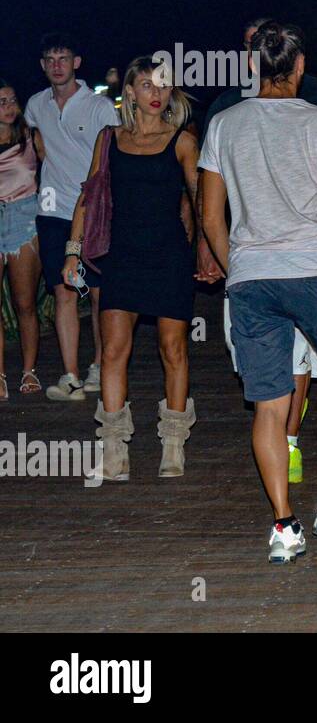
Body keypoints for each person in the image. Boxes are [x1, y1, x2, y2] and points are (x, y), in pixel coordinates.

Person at [199, 22, 317, 564]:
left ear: (253, 65)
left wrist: (240, 270)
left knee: (269, 405)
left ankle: (283, 524)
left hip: (252, 277)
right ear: (299, 67)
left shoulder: (224, 124)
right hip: (316, 271)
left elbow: (211, 215)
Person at [63, 56, 200, 480]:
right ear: (130, 93)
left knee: (173, 349)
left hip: (169, 255)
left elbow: (201, 201)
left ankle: (173, 444)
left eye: (162, 85)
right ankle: (114, 449)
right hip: (121, 256)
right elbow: (89, 197)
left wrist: (211, 251)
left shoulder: (182, 141)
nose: (156, 94)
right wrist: (73, 250)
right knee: (113, 351)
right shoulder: (109, 139)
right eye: (146, 85)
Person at [26, 32, 120, 401]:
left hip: (94, 209)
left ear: (76, 62)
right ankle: (71, 375)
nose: (56, 66)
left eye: (63, 58)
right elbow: (36, 141)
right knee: (64, 290)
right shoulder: (36, 105)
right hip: (52, 209)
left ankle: (98, 365)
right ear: (42, 66)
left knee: (98, 292)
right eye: (49, 60)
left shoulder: (98, 107)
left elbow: (112, 156)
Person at [0, 80, 43, 399]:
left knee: (24, 303)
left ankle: (29, 371)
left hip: (24, 219)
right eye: (2, 102)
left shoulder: (31, 136)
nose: (10, 106)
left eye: (12, 100)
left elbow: (57, 169)